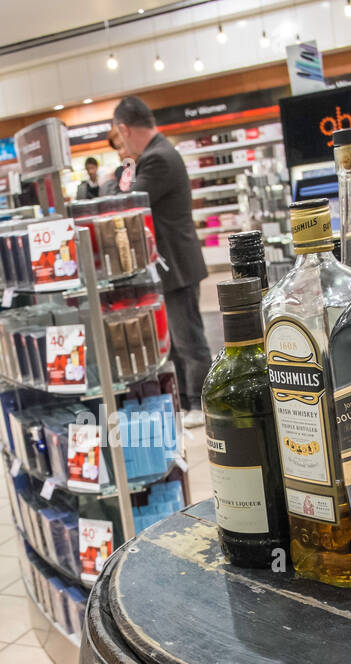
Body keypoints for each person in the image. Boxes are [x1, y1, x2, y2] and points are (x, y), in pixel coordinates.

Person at [110, 96, 211, 428]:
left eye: (119, 134)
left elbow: (130, 203)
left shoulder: (158, 159)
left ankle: (201, 403)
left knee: (188, 339)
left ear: (124, 128)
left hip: (176, 265)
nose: (121, 141)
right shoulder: (157, 154)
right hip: (172, 264)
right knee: (175, 341)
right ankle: (184, 400)